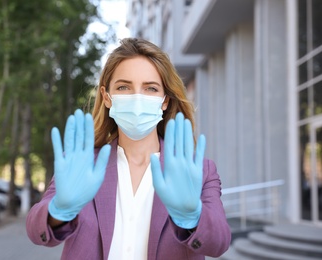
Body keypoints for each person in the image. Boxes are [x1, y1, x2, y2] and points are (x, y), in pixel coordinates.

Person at [26, 38, 231, 260]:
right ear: (107, 97)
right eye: (124, 87)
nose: (137, 98)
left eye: (150, 88)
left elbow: (219, 243)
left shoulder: (199, 171)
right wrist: (59, 211)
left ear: (165, 100)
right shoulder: (82, 164)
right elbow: (36, 231)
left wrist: (193, 217)